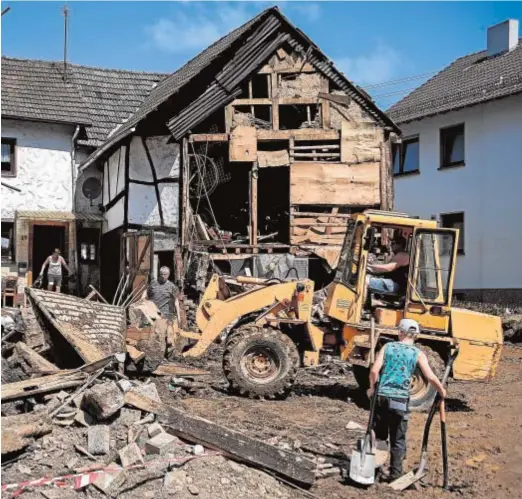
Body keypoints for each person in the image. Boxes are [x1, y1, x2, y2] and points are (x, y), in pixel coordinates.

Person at [367, 319, 447, 482]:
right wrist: (442, 391)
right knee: (398, 439)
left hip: (381, 397)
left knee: (380, 435)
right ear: (415, 335)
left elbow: (374, 371)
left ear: (400, 332)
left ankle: (374, 471)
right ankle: (395, 475)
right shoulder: (417, 353)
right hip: (400, 400)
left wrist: (372, 388)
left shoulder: (387, 347)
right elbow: (430, 377)